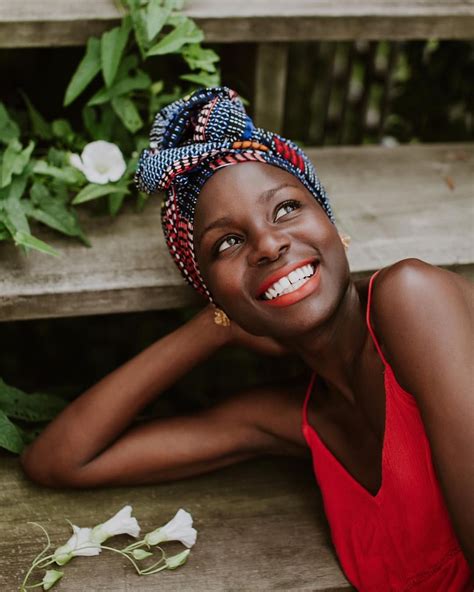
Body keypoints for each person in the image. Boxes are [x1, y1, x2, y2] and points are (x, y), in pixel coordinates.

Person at [20, 87, 473, 591]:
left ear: (333, 227)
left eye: (285, 209)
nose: (269, 243)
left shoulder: (412, 298)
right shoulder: (295, 420)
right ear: (213, 295)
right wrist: (212, 330)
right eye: (228, 243)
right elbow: (58, 461)